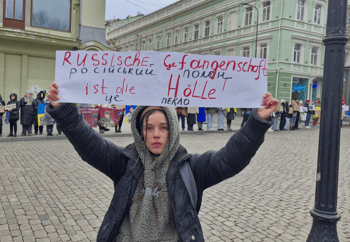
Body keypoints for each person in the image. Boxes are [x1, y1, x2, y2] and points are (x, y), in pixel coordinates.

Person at [46, 82, 279, 242]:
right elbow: (90, 145)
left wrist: (256, 122)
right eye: (149, 128)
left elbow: (229, 160)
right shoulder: (125, 163)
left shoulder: (192, 168)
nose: (156, 134)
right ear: (140, 132)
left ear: (173, 131)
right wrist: (65, 111)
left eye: (163, 127)